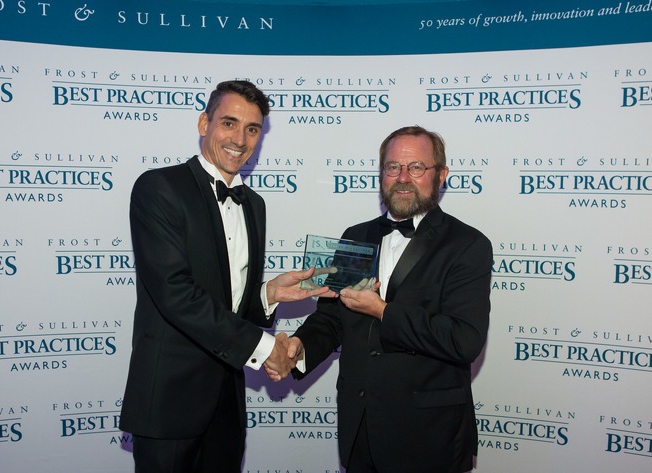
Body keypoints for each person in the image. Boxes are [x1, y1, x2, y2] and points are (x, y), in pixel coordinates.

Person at [119, 80, 334, 473]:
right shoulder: (160, 187)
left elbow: (228, 302)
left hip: (227, 405)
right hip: (169, 402)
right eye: (229, 123)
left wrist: (267, 294)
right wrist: (265, 348)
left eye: (252, 129)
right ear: (204, 123)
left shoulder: (255, 205)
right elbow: (176, 295)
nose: (239, 139)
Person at [284, 126, 492, 473]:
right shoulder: (356, 236)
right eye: (393, 167)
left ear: (441, 175)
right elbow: (332, 318)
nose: (403, 178)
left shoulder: (467, 245)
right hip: (361, 430)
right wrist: (299, 347)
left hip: (429, 436)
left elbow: (464, 340)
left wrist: (383, 311)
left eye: (416, 167)